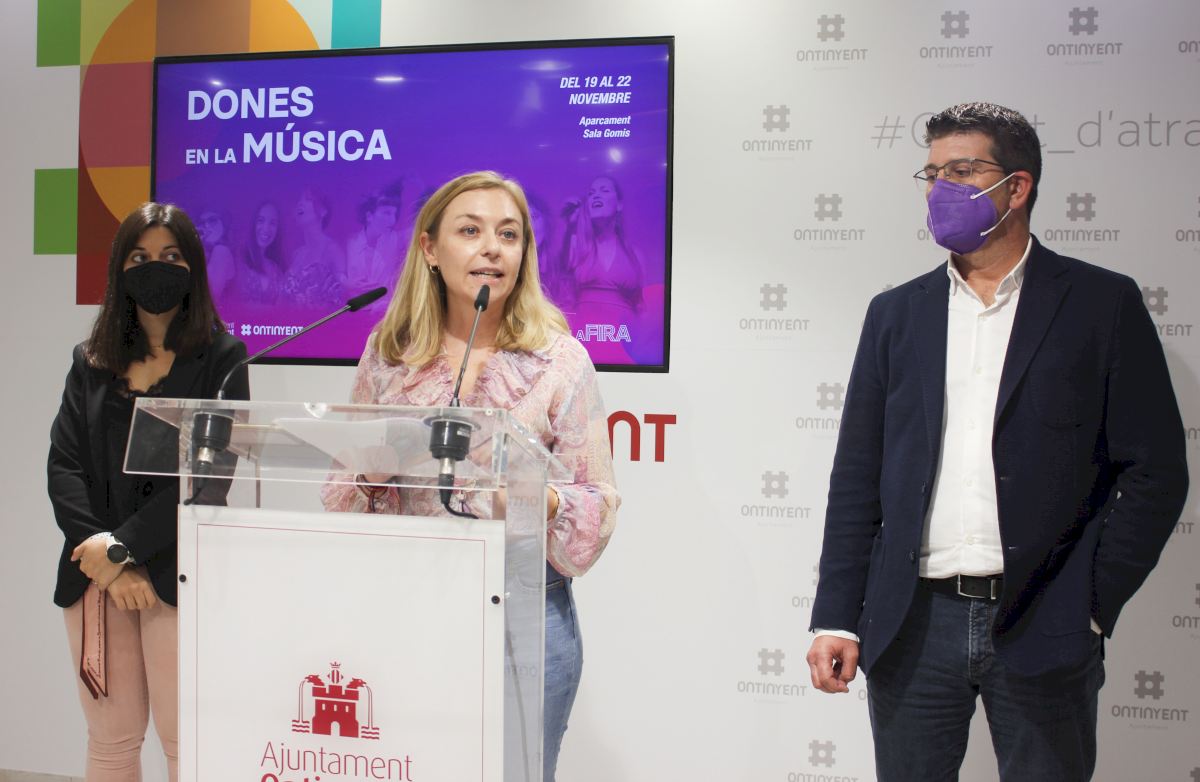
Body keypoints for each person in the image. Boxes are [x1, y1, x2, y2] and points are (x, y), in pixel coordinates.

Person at [806, 102, 1188, 782]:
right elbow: (858, 474)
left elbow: (1156, 469)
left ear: (1017, 187)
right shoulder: (896, 314)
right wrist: (837, 616)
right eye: (932, 173)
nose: (940, 189)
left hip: (1047, 618)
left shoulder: (1101, 304)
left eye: (962, 171)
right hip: (912, 625)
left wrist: (1092, 601)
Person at [321, 171, 618, 781]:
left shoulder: (561, 360)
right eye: (470, 231)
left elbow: (597, 501)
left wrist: (537, 499)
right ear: (430, 248)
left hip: (523, 615)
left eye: (509, 235)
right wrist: (373, 475)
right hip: (410, 604)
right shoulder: (390, 353)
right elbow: (342, 488)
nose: (492, 248)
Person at [48, 202, 250, 781]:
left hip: (177, 570)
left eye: (170, 256)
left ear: (193, 268)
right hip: (93, 573)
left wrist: (125, 548)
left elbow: (208, 478)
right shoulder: (90, 361)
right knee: (111, 745)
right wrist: (105, 556)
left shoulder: (223, 358)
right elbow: (64, 466)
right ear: (119, 269)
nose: (154, 268)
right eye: (139, 258)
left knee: (188, 746)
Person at [559, 175, 644, 362]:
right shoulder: (576, 244)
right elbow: (559, 277)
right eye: (591, 193)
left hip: (622, 344)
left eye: (604, 190)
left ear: (619, 205)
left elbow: (641, 307)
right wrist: (570, 227)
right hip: (583, 343)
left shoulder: (634, 255)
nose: (596, 195)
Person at [284, 187, 344, 308]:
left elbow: (343, 293)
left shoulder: (333, 250)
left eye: (308, 199)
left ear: (323, 211)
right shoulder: (296, 254)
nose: (300, 203)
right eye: (299, 200)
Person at [233, 200, 287, 305]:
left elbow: (280, 309)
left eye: (273, 223)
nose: (266, 228)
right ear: (252, 223)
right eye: (261, 220)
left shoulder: (277, 271)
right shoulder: (235, 259)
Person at [196, 207, 235, 301]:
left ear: (224, 224)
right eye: (202, 222)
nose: (206, 226)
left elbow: (213, 295)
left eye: (212, 220)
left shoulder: (221, 251)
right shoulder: (206, 252)